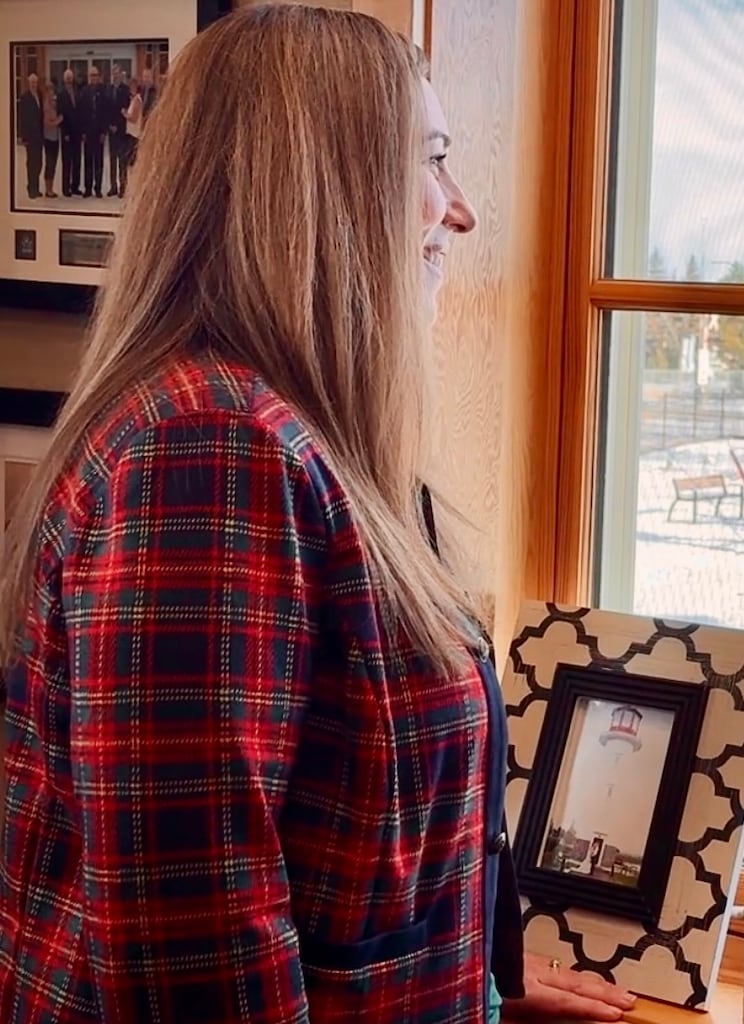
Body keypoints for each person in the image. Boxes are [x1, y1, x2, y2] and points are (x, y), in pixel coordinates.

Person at [0, 8, 635, 1024]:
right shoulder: (205, 449)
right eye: (430, 159)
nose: (459, 210)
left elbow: (333, 871)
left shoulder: (294, 436)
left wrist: (475, 989)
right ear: (321, 189)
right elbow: (195, 968)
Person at [82, 64, 110, 198]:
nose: (94, 78)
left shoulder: (103, 92)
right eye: (91, 75)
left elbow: (106, 114)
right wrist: (83, 133)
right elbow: (81, 113)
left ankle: (97, 188)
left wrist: (104, 132)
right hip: (88, 133)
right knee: (88, 161)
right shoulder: (85, 91)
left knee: (98, 162)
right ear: (89, 77)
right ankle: (87, 188)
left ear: (99, 77)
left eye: (96, 75)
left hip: (99, 133)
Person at [56, 67, 82, 197]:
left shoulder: (77, 92)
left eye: (70, 78)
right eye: (67, 78)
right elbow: (60, 115)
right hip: (67, 134)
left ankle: (75, 187)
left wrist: (82, 132)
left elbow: (80, 112)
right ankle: (65, 188)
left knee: (77, 161)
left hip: (77, 133)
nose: (69, 80)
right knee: (67, 162)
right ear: (64, 79)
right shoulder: (60, 95)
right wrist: (64, 133)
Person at [16, 72, 43, 200]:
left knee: (38, 163)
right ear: (29, 83)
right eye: (32, 82)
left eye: (35, 82)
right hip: (30, 136)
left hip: (39, 136)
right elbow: (21, 118)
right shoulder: (25, 97)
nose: (34, 84)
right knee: (31, 163)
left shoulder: (40, 95)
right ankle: (31, 188)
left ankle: (36, 188)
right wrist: (22, 136)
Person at [106, 64, 130, 196]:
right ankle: (113, 187)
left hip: (121, 131)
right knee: (112, 160)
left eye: (117, 72)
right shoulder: (108, 90)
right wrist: (109, 125)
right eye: (113, 73)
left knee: (122, 161)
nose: (115, 75)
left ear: (121, 74)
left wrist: (118, 126)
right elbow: (106, 110)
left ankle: (123, 187)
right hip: (111, 130)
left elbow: (126, 110)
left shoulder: (126, 90)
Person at [41, 78, 62, 197]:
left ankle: (51, 188)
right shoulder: (46, 106)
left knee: (53, 163)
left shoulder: (54, 104)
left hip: (55, 137)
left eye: (52, 90)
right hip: (48, 138)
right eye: (49, 90)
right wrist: (58, 121)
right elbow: (46, 123)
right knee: (49, 163)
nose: (51, 93)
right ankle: (47, 189)